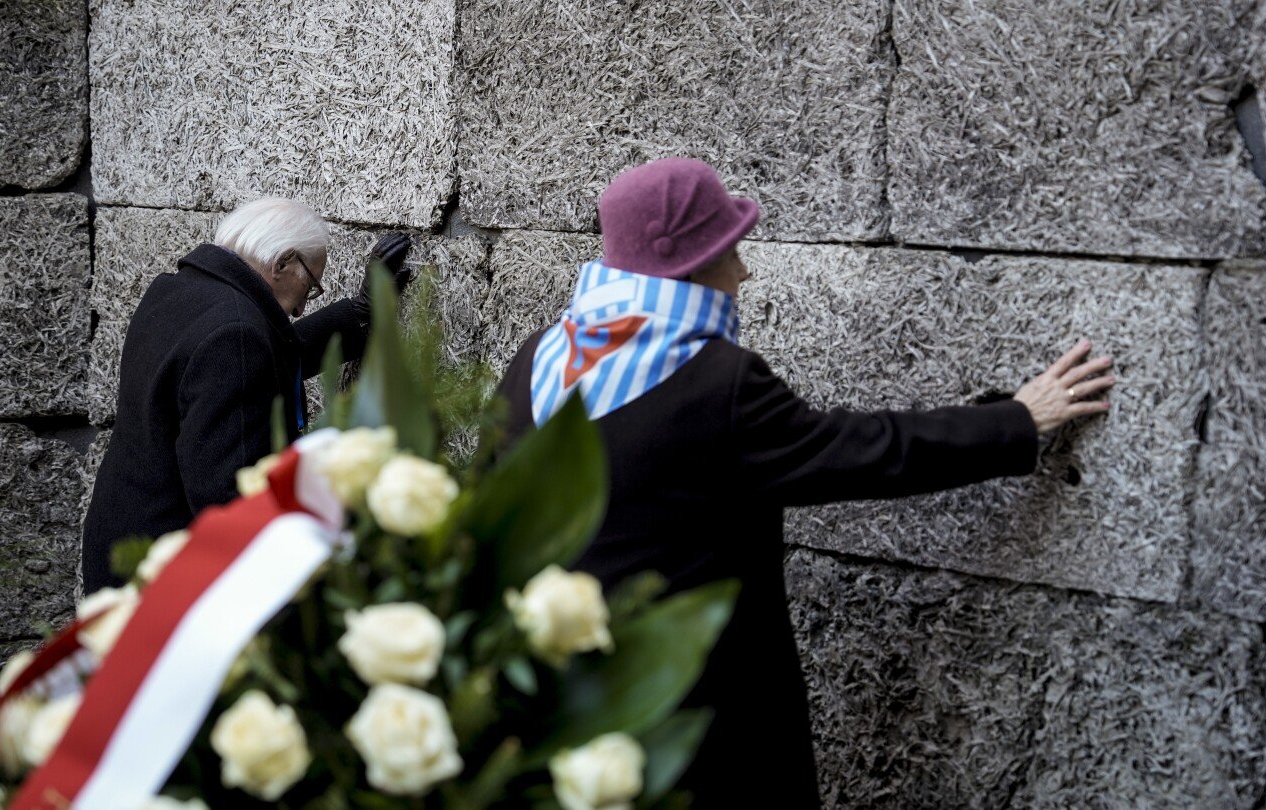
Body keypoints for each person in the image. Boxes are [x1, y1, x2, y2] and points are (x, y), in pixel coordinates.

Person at [494, 158, 1116, 806]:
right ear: (693, 265)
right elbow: (861, 452)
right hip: (700, 730)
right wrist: (1017, 420)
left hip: (562, 714)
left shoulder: (534, 362)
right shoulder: (718, 382)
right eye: (728, 251)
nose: (743, 271)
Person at [82, 198, 411, 591]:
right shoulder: (235, 335)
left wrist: (361, 310)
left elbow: (269, 355)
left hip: (120, 541)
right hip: (165, 576)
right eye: (310, 284)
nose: (303, 306)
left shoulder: (177, 294)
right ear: (282, 263)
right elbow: (228, 497)